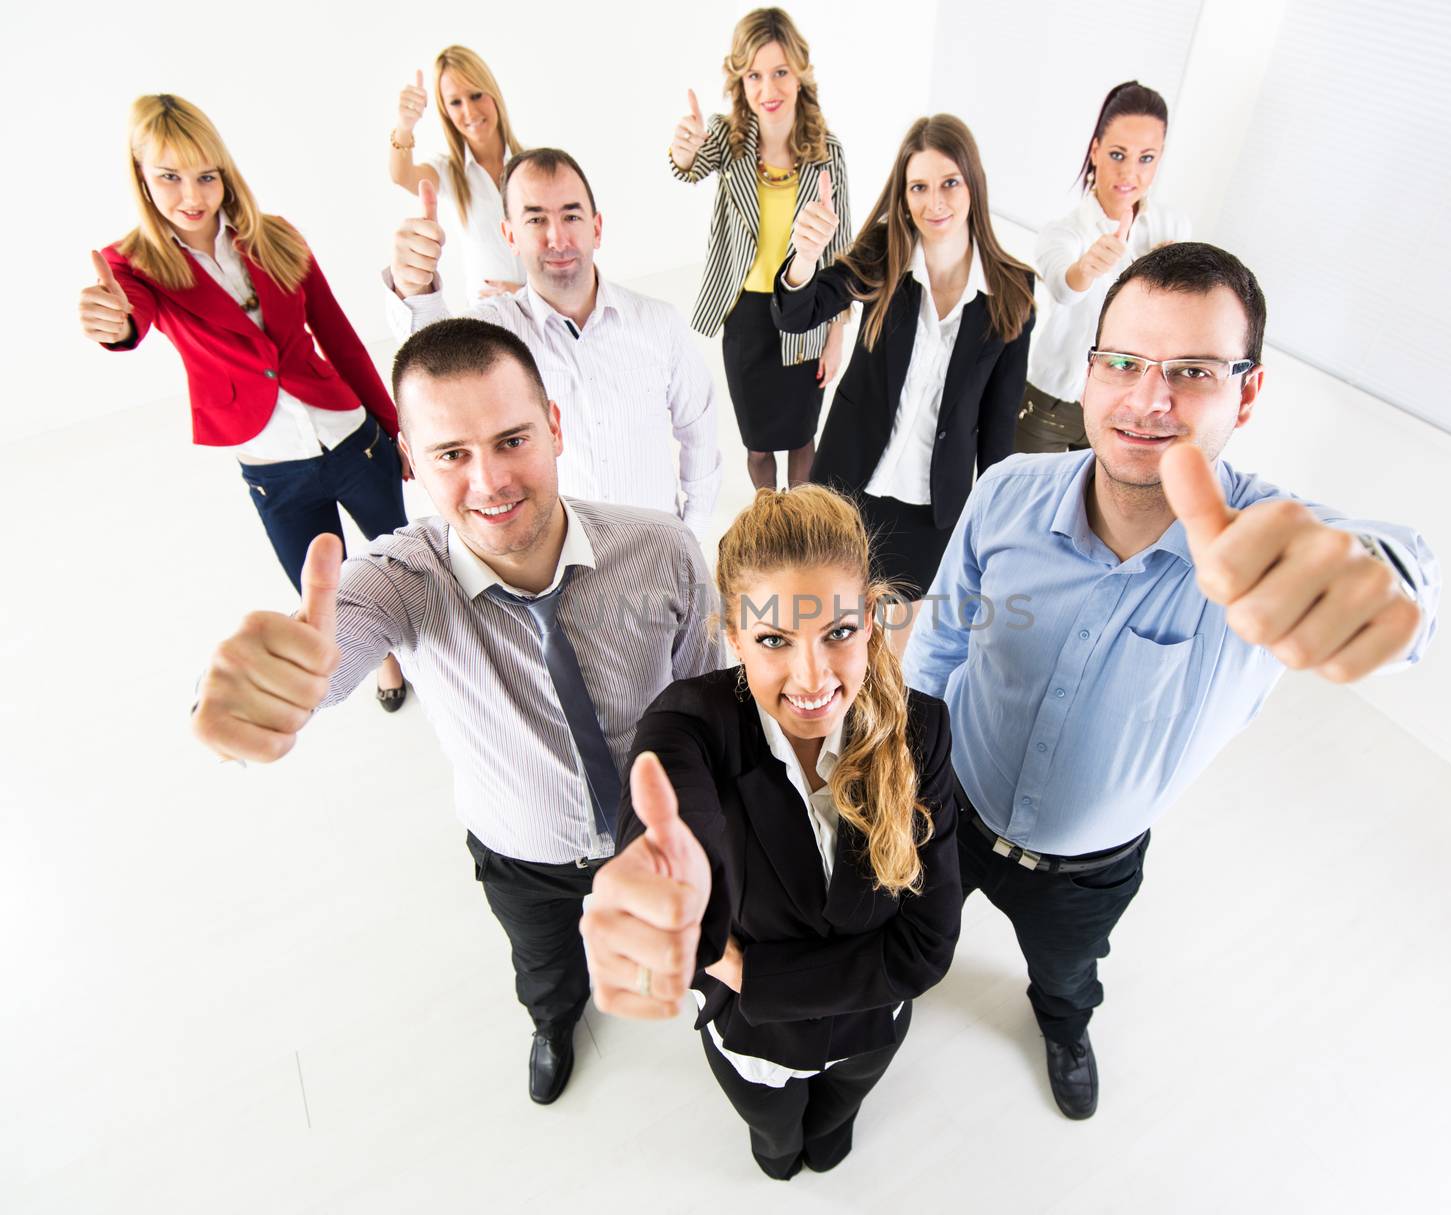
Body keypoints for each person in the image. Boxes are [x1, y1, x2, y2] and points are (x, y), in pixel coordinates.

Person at [902, 242, 1441, 1123]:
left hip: (1085, 871)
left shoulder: (1263, 549)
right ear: (1089, 374)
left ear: (1247, 392)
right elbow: (940, 640)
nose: (1148, 400)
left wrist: (1377, 583)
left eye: (1192, 372)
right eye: (1123, 362)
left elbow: (1390, 566)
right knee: (915, 928)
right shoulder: (1004, 492)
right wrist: (908, 772)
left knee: (1068, 975)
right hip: (950, 808)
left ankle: (1064, 1022)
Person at [190, 318, 719, 1107]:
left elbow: (704, 704)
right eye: (451, 455)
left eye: (512, 440)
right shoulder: (399, 579)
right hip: (521, 856)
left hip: (653, 830)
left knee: (693, 951)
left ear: (556, 427)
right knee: (543, 972)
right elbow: (324, 657)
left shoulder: (664, 548)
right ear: (411, 461)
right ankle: (552, 1022)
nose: (490, 481)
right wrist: (260, 696)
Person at [579, 485, 961, 1180]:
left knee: (835, 1130)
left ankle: (828, 1139)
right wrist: (664, 884)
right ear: (733, 636)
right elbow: (665, 804)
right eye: (774, 640)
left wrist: (748, 971)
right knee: (775, 1144)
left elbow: (928, 947)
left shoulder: (921, 728)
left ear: (871, 618)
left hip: (869, 1035)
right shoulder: (690, 723)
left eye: (838, 632)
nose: (812, 678)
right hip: (755, 1044)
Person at [81, 93, 408, 707]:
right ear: (142, 177)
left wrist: (393, 426)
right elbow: (132, 319)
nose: (192, 195)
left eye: (206, 175)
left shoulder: (276, 236)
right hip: (273, 470)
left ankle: (438, 661)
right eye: (170, 177)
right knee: (325, 593)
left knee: (403, 561)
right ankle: (385, 663)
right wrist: (115, 325)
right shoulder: (134, 267)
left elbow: (339, 339)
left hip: (351, 436)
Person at [772, 113, 1034, 645]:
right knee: (821, 619)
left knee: (894, 644)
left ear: (972, 185)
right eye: (919, 187)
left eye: (948, 184)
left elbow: (998, 425)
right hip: (848, 481)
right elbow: (795, 315)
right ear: (904, 192)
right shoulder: (884, 253)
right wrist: (803, 254)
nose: (933, 203)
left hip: (932, 506)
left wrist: (992, 525)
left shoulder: (1013, 291)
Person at [386, 148, 723, 538]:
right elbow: (434, 365)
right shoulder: (494, 332)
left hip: (656, 554)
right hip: (553, 573)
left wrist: (693, 537)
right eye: (536, 219)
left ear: (596, 228)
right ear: (510, 235)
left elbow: (699, 431)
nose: (557, 237)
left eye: (571, 215)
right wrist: (416, 288)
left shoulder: (659, 323)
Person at [668, 6, 851, 490]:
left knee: (802, 438)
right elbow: (689, 165)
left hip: (806, 309)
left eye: (780, 73)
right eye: (755, 75)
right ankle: (768, 523)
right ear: (740, 82)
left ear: (800, 75)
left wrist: (836, 337)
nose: (768, 90)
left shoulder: (827, 151)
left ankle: (801, 526)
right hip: (746, 317)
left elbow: (842, 254)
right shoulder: (727, 140)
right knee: (758, 445)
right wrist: (683, 150)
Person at [1016, 81, 1191, 454]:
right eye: (1117, 154)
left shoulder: (1172, 230)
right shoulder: (1063, 232)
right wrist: (1088, 266)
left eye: (1146, 158)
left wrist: (1174, 281)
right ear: (1095, 151)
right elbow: (1065, 287)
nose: (1129, 172)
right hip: (1050, 402)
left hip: (1122, 409)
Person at [388, 46, 527, 301]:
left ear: (493, 93)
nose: (470, 112)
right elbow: (402, 175)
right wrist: (404, 126)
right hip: (489, 323)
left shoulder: (530, 165)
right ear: (446, 112)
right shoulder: (449, 172)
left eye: (476, 95)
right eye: (455, 102)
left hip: (541, 311)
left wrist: (524, 294)